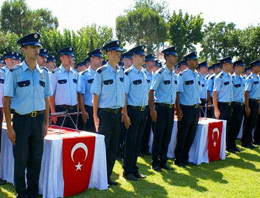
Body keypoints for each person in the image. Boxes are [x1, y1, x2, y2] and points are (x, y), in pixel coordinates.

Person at [3, 32, 51, 198]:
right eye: (32, 47)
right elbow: (7, 100)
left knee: (36, 160)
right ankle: (21, 193)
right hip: (21, 121)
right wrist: (9, 127)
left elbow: (46, 100)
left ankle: (33, 192)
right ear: (23, 50)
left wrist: (46, 123)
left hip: (38, 121)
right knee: (21, 160)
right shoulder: (14, 73)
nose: (36, 50)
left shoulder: (44, 73)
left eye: (37, 46)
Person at [91, 40, 126, 186]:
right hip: (105, 114)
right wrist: (95, 115)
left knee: (113, 146)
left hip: (117, 114)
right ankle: (99, 177)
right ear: (109, 54)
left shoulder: (121, 71)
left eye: (119, 52)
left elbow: (123, 93)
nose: (119, 54)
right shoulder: (101, 72)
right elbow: (96, 95)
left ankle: (107, 176)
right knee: (103, 146)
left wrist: (124, 112)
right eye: (116, 52)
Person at [149, 46, 178, 172]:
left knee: (167, 136)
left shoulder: (175, 74)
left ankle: (163, 160)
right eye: (173, 55)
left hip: (170, 109)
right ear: (167, 57)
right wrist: (152, 110)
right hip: (160, 108)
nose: (175, 57)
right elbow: (151, 91)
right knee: (158, 136)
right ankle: (155, 162)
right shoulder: (160, 73)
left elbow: (175, 93)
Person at [123, 45, 148, 181]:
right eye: (140, 55)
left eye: (143, 55)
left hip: (143, 111)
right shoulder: (128, 74)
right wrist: (125, 114)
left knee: (137, 142)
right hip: (132, 111)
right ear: (133, 57)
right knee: (130, 141)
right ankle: (127, 170)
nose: (143, 57)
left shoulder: (144, 73)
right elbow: (124, 95)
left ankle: (134, 167)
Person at [175, 51, 201, 167]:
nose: (196, 62)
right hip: (185, 108)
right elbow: (177, 93)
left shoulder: (197, 75)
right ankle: (178, 158)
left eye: (196, 60)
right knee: (182, 134)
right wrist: (178, 109)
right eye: (194, 60)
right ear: (188, 61)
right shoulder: (183, 75)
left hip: (195, 108)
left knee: (191, 134)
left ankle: (185, 157)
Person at [49, 47, 80, 129]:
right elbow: (51, 94)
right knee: (60, 136)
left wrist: (77, 110)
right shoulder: (55, 73)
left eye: (71, 57)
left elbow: (77, 93)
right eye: (67, 57)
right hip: (60, 111)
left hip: (73, 110)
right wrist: (53, 112)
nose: (70, 59)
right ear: (61, 58)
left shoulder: (75, 73)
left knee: (72, 137)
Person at [78, 48, 103, 132]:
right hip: (89, 109)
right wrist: (83, 111)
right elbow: (81, 94)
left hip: (101, 108)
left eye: (101, 58)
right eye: (98, 58)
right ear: (91, 59)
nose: (101, 60)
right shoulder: (84, 75)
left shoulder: (103, 73)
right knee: (91, 133)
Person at [213, 57, 233, 152]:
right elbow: (215, 94)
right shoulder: (219, 77)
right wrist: (216, 109)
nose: (231, 65)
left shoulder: (229, 76)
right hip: (222, 105)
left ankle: (223, 148)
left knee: (227, 128)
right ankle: (218, 148)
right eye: (229, 64)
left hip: (229, 105)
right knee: (221, 128)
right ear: (224, 65)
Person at [242, 60, 260, 149]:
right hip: (251, 102)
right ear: (253, 67)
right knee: (248, 123)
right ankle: (245, 142)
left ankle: (249, 141)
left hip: (256, 102)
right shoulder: (250, 78)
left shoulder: (258, 78)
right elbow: (246, 92)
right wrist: (247, 106)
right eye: (258, 66)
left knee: (253, 123)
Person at [140, 53, 155, 156]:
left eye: (153, 61)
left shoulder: (154, 74)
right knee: (143, 128)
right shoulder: (143, 74)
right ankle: (140, 149)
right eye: (151, 61)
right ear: (146, 63)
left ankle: (145, 147)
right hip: (144, 104)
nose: (153, 63)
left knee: (149, 127)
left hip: (152, 104)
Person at [229, 60, 245, 152]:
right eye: (241, 66)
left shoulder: (242, 79)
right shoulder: (232, 78)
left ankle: (233, 144)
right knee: (232, 126)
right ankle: (229, 145)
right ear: (236, 67)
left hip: (240, 105)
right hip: (234, 104)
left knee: (237, 126)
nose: (243, 68)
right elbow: (230, 93)